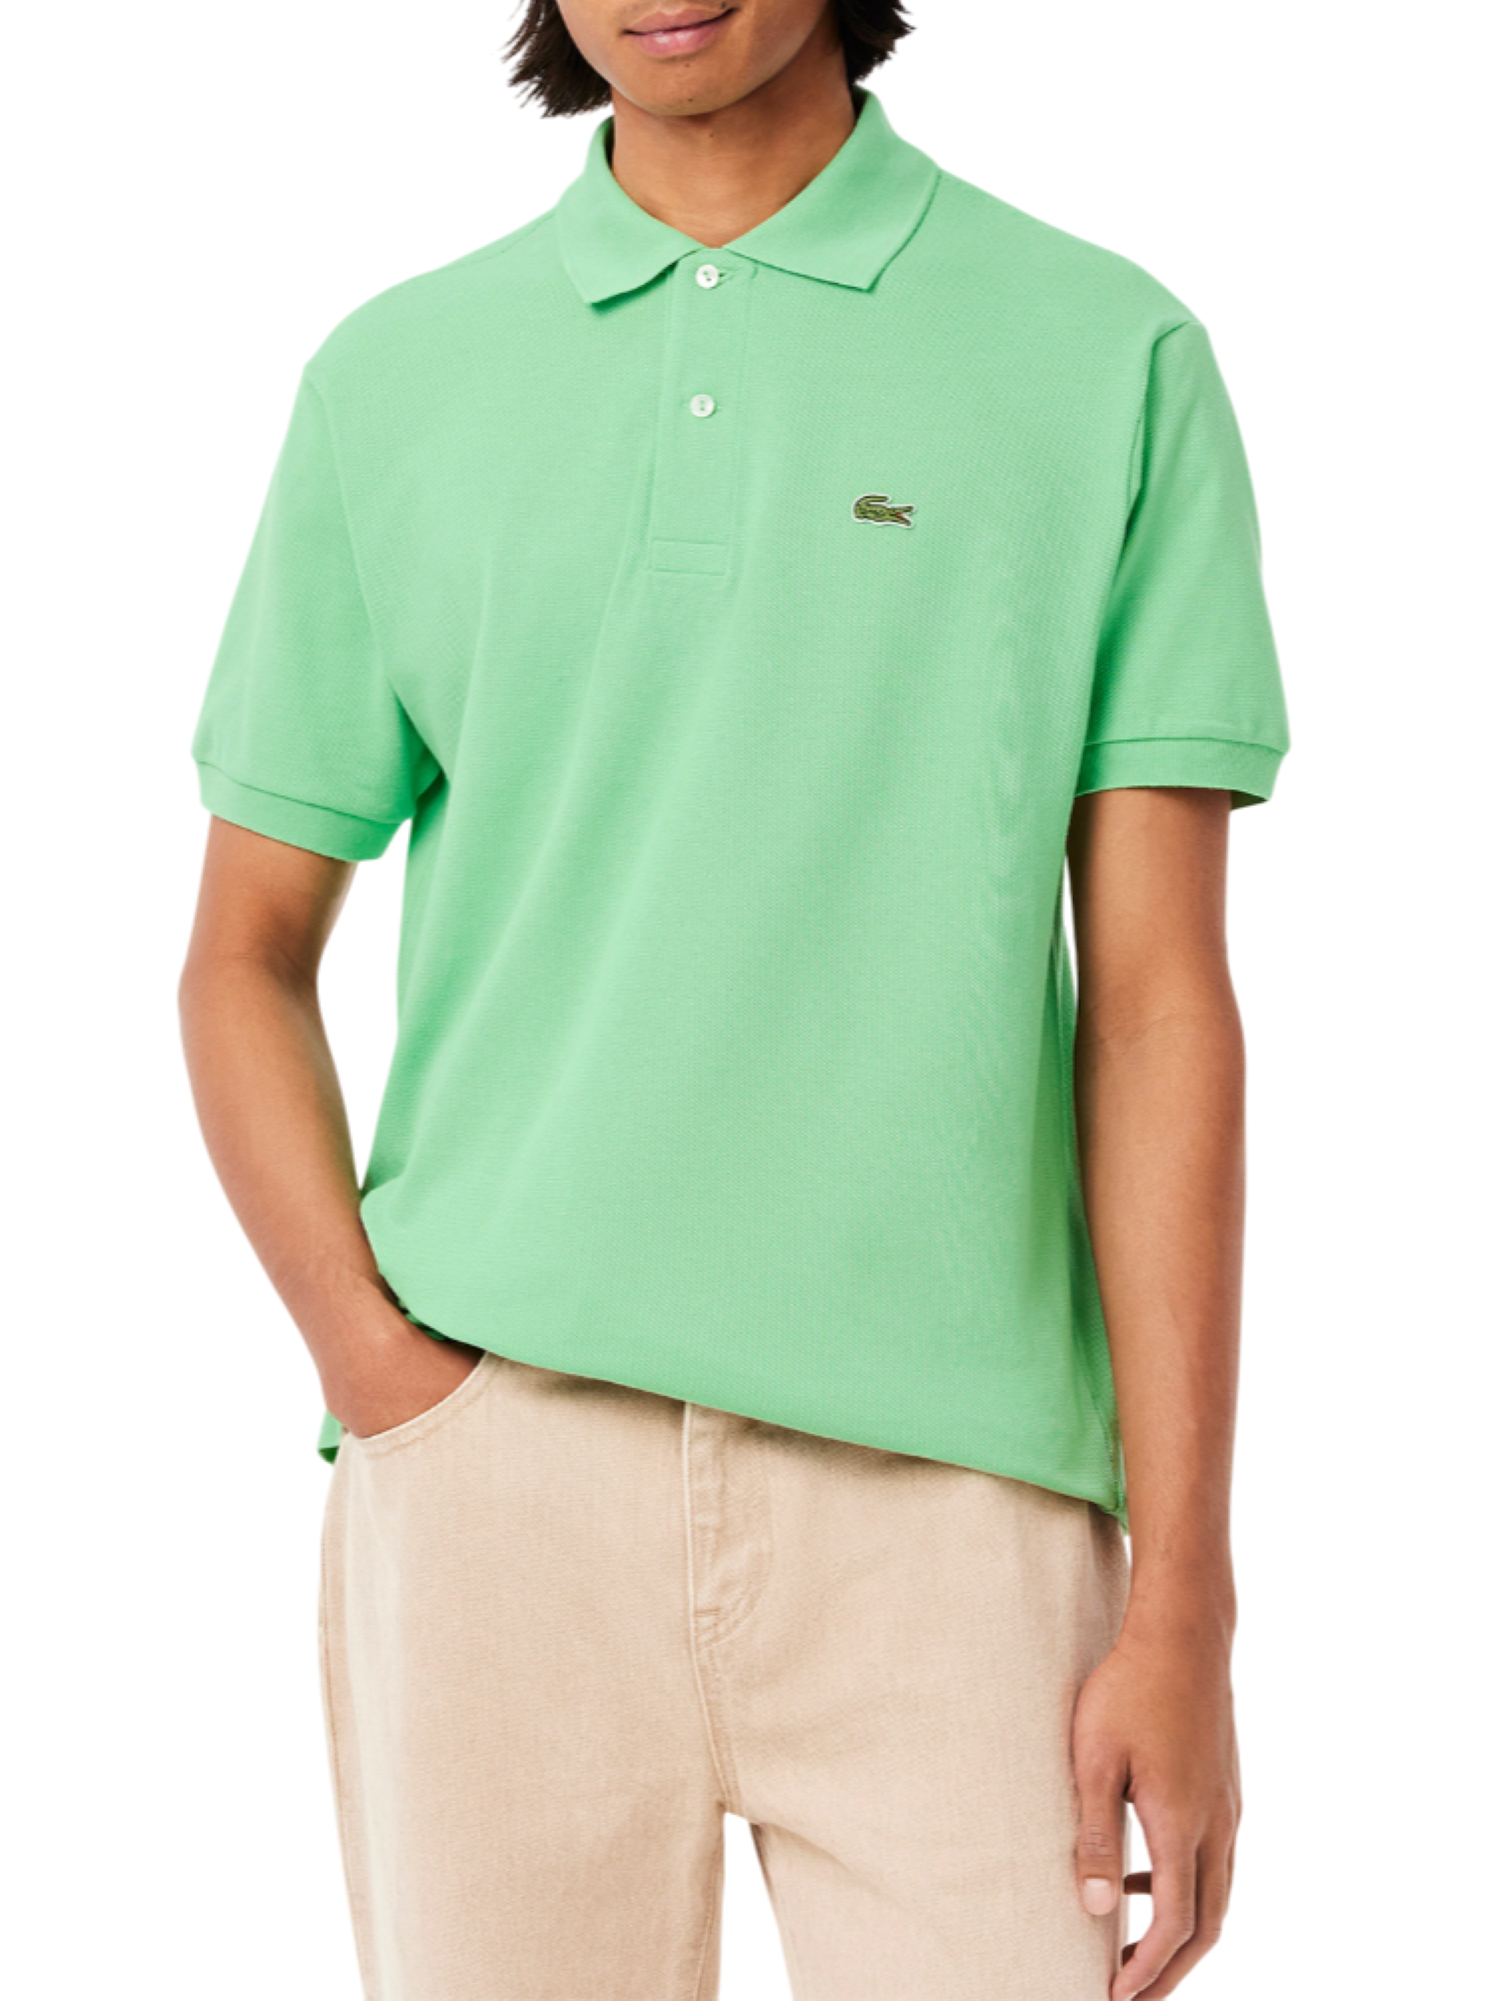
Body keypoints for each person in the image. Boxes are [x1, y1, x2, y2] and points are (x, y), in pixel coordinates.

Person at [179, 4, 1289, 1997]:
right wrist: (380, 1371)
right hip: (498, 1475)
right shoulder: (396, 380)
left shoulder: (1103, 356)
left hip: (959, 1508)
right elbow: (243, 950)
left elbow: (1155, 1011)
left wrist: (1186, 1596)